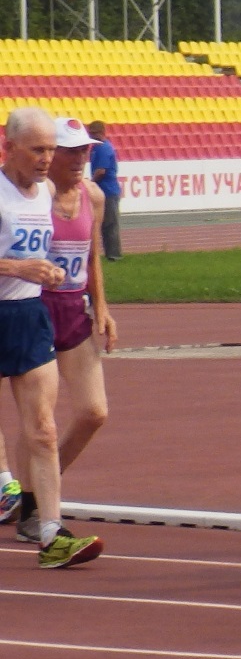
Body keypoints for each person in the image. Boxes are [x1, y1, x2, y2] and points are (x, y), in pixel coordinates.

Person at [0, 109, 101, 570]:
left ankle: (49, 531)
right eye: (38, 150)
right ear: (9, 147)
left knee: (42, 427)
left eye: (50, 150)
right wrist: (16, 267)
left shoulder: (45, 193)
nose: (47, 159)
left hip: (28, 314)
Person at [19, 119, 117, 543]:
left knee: (94, 412)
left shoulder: (92, 196)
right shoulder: (33, 198)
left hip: (73, 311)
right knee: (39, 420)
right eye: (71, 151)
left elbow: (93, 255)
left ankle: (35, 497)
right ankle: (33, 508)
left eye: (86, 152)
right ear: (49, 154)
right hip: (33, 309)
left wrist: (103, 307)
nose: (81, 159)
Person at [86, 121, 120, 262]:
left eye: (92, 134)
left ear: (99, 133)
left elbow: (101, 170)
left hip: (108, 190)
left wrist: (91, 182)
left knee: (110, 223)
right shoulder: (96, 148)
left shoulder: (104, 148)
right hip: (102, 190)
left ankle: (114, 254)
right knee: (100, 223)